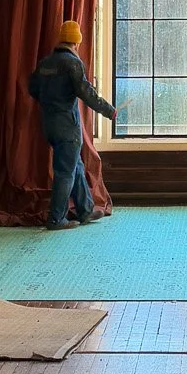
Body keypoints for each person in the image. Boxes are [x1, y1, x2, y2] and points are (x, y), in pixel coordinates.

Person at [28, 19, 115, 230]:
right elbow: (86, 93)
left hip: (49, 124)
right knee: (65, 171)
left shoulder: (45, 63)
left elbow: (33, 89)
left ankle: (85, 210)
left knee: (75, 165)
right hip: (68, 125)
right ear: (76, 43)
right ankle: (56, 219)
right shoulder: (73, 63)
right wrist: (109, 111)